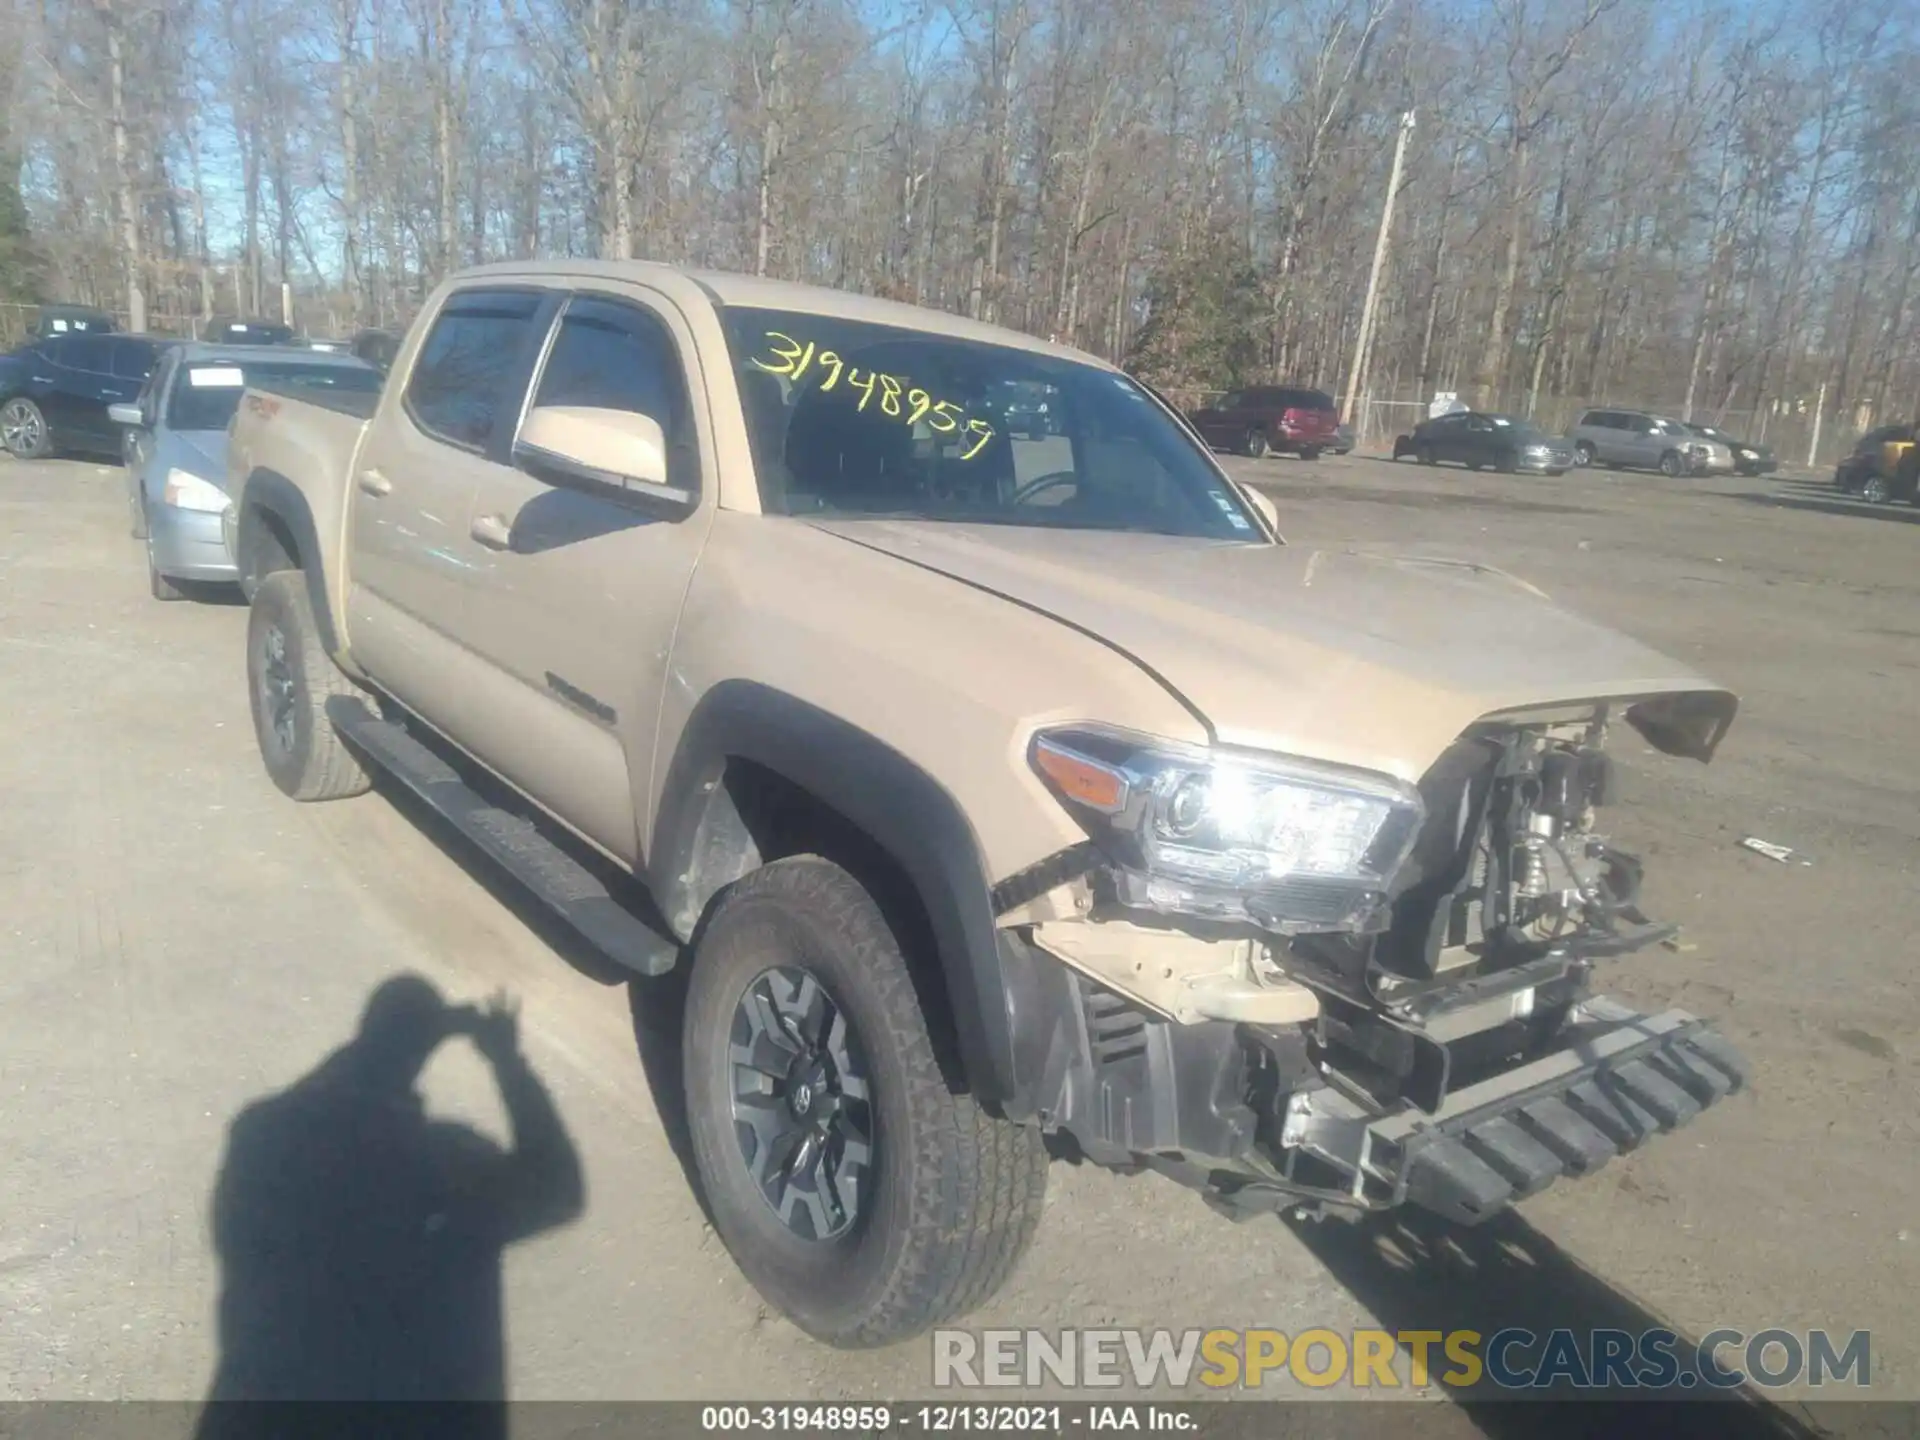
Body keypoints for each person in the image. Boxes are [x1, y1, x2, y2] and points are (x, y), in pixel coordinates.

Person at [196, 975, 584, 1431]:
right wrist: (507, 1062)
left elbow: (304, 1106)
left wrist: (393, 1045)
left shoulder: (261, 1137)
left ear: (362, 1036)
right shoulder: (446, 1166)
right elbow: (559, 1187)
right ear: (424, 1052)